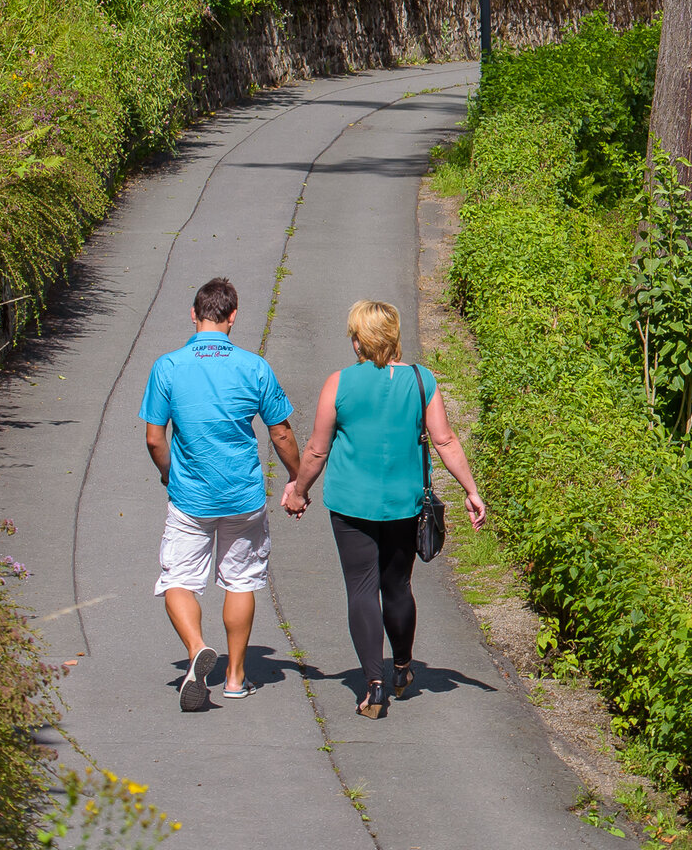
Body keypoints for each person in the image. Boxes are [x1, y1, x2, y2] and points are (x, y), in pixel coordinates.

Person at [282, 301, 487, 720]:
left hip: (350, 505)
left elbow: (318, 449)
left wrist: (299, 491)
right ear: (393, 336)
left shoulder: (338, 384)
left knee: (361, 590)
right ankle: (402, 666)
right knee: (397, 587)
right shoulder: (421, 379)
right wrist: (471, 490)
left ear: (358, 341)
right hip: (404, 504)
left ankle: (373, 688)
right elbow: (445, 441)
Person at [141, 277, 301, 712]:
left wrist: (168, 475)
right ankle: (234, 678)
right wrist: (297, 478)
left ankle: (196, 649)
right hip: (243, 496)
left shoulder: (168, 366)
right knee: (241, 580)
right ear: (233, 317)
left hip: (190, 497)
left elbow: (156, 439)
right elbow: (281, 431)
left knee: (177, 579)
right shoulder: (254, 367)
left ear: (194, 315)